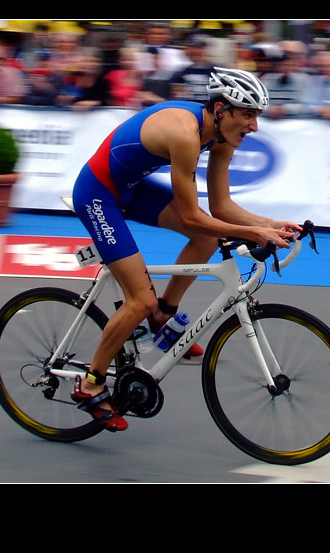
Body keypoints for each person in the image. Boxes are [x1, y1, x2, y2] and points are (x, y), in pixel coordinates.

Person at [70, 67, 300, 431]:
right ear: (222, 109)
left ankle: (164, 314)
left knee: (209, 238)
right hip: (98, 194)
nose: (254, 126)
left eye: (257, 116)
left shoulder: (223, 137)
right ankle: (91, 383)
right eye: (248, 115)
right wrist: (253, 234)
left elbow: (222, 207)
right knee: (138, 301)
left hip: (129, 186)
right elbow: (192, 217)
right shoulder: (185, 134)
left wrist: (271, 225)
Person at [260, 43, 310, 118]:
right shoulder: (267, 79)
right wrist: (270, 109)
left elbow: (305, 105)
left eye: (287, 64)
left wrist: (284, 109)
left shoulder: (304, 79)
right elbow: (260, 103)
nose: (284, 67)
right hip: (269, 119)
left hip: (294, 120)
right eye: (281, 64)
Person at [169, 35, 215, 103]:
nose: (197, 51)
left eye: (201, 48)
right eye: (194, 47)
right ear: (188, 50)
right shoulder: (180, 72)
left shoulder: (217, 72)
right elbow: (177, 96)